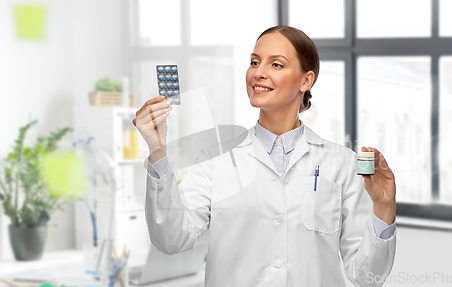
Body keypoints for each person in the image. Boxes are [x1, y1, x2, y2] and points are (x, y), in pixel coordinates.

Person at [133, 25, 396, 287]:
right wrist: (158, 154)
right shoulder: (215, 159)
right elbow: (170, 240)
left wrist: (384, 208)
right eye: (254, 62)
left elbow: (366, 277)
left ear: (306, 81)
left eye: (276, 65)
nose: (258, 72)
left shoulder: (342, 164)